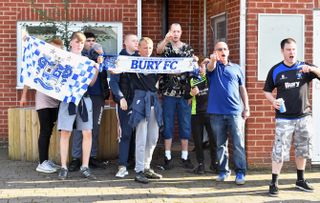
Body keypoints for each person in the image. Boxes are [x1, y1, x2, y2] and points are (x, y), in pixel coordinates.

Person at [263, 38, 320, 196]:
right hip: (284, 118)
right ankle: (274, 182)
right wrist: (273, 101)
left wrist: (313, 70)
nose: (292, 52)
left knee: (302, 150)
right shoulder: (276, 70)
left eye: (294, 49)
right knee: (279, 151)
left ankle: (300, 180)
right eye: (288, 50)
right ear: (282, 51)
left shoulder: (304, 67)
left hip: (304, 116)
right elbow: (267, 90)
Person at [205, 41, 250, 185]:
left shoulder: (236, 68)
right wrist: (213, 59)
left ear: (228, 51)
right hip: (216, 113)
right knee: (220, 144)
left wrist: (246, 107)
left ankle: (240, 173)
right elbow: (210, 67)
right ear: (215, 51)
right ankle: (224, 171)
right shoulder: (211, 67)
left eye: (225, 49)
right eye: (219, 49)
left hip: (235, 112)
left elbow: (242, 88)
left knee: (238, 144)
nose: (222, 51)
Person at [57, 31, 98, 180]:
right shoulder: (64, 58)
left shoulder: (87, 61)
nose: (80, 45)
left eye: (82, 42)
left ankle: (85, 167)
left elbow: (91, 83)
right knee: (65, 133)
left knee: (87, 132)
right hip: (68, 100)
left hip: (84, 99)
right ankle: (63, 167)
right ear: (71, 43)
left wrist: (96, 71)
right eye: (77, 42)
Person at [20, 37, 64, 174]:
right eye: (52, 47)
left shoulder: (62, 61)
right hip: (44, 100)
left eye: (58, 47)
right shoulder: (41, 60)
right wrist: (23, 95)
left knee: (50, 130)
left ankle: (46, 160)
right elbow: (29, 77)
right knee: (45, 130)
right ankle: (42, 162)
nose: (55, 49)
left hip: (57, 100)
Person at [69, 32, 110, 171]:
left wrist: (102, 57)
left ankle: (92, 157)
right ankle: (76, 158)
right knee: (79, 129)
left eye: (93, 40)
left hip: (98, 96)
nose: (91, 43)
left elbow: (105, 72)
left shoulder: (99, 55)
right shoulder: (80, 57)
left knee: (94, 128)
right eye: (88, 41)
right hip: (83, 96)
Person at [156, 23, 195, 170]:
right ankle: (167, 156)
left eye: (178, 31)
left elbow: (192, 72)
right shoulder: (166, 46)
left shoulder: (187, 48)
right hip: (168, 93)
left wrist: (191, 92)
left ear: (181, 32)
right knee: (168, 123)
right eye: (173, 31)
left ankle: (185, 156)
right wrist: (166, 39)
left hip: (184, 93)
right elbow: (158, 51)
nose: (176, 34)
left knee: (185, 124)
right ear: (170, 32)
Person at [128, 37, 163, 184]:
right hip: (140, 101)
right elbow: (117, 69)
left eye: (150, 48)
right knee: (141, 137)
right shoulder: (132, 63)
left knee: (153, 137)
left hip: (154, 101)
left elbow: (173, 69)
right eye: (144, 47)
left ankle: (147, 166)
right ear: (139, 48)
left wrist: (189, 63)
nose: (147, 50)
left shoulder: (157, 64)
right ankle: (139, 170)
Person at [109, 34, 139, 178]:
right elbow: (113, 82)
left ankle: (135, 163)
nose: (136, 42)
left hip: (139, 102)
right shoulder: (118, 60)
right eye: (133, 40)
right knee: (125, 134)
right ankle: (122, 165)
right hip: (124, 102)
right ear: (125, 43)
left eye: (137, 40)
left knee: (138, 134)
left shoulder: (140, 58)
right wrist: (120, 97)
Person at [185, 60, 217, 174]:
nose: (201, 68)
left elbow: (212, 67)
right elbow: (185, 95)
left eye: (203, 66)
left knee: (213, 139)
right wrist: (191, 94)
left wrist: (209, 62)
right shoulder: (192, 80)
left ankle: (214, 164)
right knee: (198, 141)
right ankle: (201, 165)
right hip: (196, 114)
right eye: (199, 67)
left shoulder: (210, 77)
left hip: (210, 113)